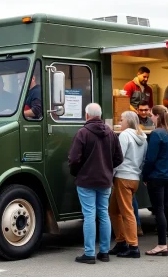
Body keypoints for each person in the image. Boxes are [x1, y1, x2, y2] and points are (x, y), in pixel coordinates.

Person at [68, 103, 123, 264]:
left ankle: (89, 253)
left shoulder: (82, 133)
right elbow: (119, 158)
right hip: (105, 180)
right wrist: (107, 167)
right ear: (100, 115)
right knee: (103, 214)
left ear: (86, 115)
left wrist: (77, 172)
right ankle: (104, 252)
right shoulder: (111, 133)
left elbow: (73, 159)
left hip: (86, 180)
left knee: (89, 215)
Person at [109, 111, 147, 259]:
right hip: (134, 177)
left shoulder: (124, 135)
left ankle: (133, 246)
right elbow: (143, 159)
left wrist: (110, 175)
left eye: (122, 119)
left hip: (123, 177)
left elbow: (118, 157)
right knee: (113, 210)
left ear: (129, 121)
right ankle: (121, 242)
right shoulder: (142, 137)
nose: (120, 121)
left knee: (126, 212)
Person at [142, 105, 168, 256]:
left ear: (157, 116)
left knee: (159, 210)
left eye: (151, 115)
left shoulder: (157, 134)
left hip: (157, 176)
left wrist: (145, 175)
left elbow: (150, 159)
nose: (150, 117)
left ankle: (161, 244)